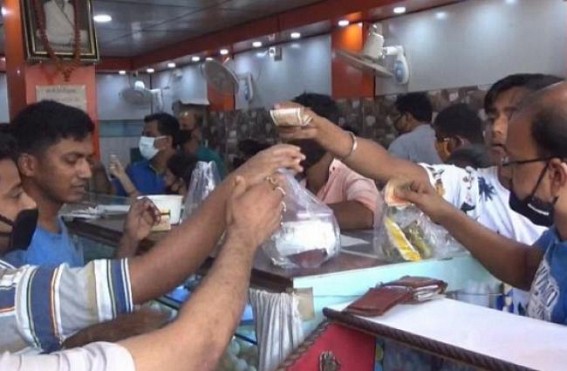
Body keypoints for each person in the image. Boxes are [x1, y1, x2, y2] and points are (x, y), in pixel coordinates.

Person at [0, 132, 296, 369]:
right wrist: (243, 235)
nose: (28, 204)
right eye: (15, 194)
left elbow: (131, 282)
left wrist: (129, 240)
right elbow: (194, 350)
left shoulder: (11, 283)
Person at [278, 74, 562, 314]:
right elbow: (524, 266)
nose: (498, 129)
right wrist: (329, 135)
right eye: (492, 117)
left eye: (513, 116)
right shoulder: (474, 189)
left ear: (557, 174)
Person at [396, 81, 567, 325]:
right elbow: (524, 266)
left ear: (557, 175)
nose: (506, 171)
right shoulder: (558, 235)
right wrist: (443, 211)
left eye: (515, 163)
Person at [289, 93, 381, 230]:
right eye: (290, 134)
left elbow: (366, 213)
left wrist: (298, 216)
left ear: (328, 133)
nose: (295, 141)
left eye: (305, 133)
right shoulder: (292, 177)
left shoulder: (352, 169)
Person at [113, 113, 180, 197]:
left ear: (167, 141)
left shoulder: (187, 170)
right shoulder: (133, 171)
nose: (143, 139)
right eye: (143, 135)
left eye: (149, 135)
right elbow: (111, 197)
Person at [387, 93, 442, 164]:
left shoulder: (402, 143)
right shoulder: (440, 138)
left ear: (408, 116)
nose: (391, 120)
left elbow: (391, 172)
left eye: (394, 115)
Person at [178, 109, 227, 178]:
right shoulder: (177, 156)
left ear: (197, 130)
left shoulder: (210, 159)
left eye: (185, 126)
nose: (180, 129)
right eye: (178, 125)